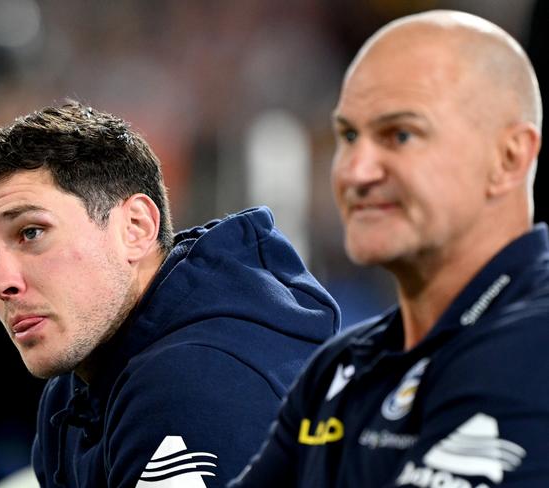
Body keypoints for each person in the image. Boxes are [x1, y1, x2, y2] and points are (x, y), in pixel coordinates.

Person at [229, 9, 547, 487]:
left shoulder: (535, 347)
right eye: (348, 136)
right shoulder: (339, 368)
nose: (356, 171)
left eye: (400, 134)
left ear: (508, 158)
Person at [0, 101, 340, 488]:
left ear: (135, 227)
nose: (1, 282)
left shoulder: (195, 385)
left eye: (31, 232)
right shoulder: (72, 392)